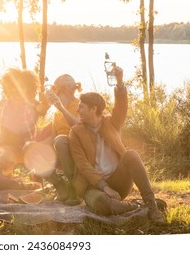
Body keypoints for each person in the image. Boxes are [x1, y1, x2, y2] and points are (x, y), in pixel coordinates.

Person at [68, 66, 165, 224]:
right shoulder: (76, 132)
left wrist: (119, 81)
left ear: (93, 109)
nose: (77, 109)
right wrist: (105, 187)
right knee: (101, 205)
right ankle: (135, 206)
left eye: (81, 106)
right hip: (94, 186)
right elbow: (83, 166)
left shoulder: (111, 122)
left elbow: (121, 106)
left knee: (131, 154)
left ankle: (152, 206)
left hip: (119, 180)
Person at [0, 68, 48, 178]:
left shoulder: (32, 103)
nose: (16, 91)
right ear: (9, 88)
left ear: (27, 89)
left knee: (32, 150)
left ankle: (36, 176)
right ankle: (8, 180)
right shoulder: (4, 105)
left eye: (21, 87)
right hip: (9, 146)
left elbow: (43, 110)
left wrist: (43, 102)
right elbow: (0, 133)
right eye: (13, 87)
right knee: (3, 160)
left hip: (27, 147)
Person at [39, 74, 82, 204]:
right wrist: (35, 147)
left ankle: (74, 187)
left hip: (77, 147)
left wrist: (61, 108)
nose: (55, 93)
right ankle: (60, 185)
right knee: (32, 148)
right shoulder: (57, 111)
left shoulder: (80, 104)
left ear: (68, 89)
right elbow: (52, 136)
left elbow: (79, 128)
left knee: (61, 140)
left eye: (57, 89)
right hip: (59, 146)